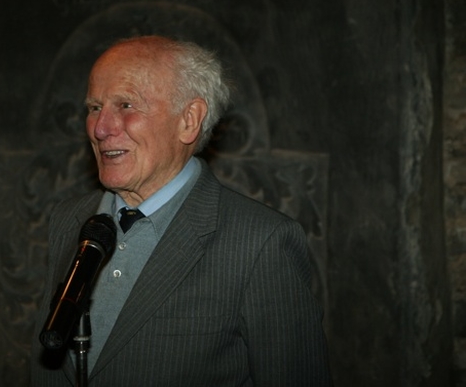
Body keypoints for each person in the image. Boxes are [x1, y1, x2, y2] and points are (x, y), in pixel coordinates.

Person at [31, 35, 331, 386]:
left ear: (189, 120)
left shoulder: (259, 243)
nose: (100, 128)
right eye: (95, 107)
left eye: (126, 105)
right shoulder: (70, 221)